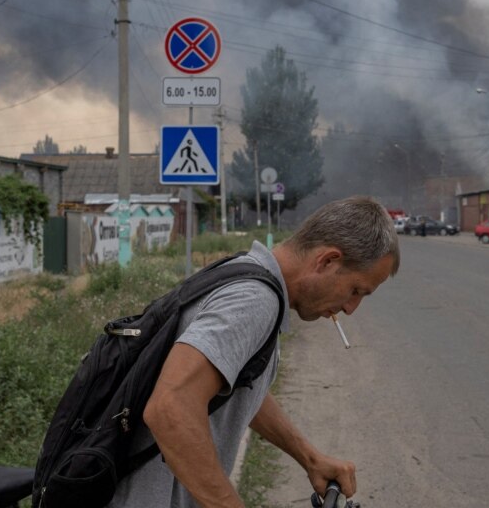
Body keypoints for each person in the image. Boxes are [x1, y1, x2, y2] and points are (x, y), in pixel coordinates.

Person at [107, 196, 400, 507]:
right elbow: (169, 407)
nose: (352, 308)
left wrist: (309, 457)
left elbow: (234, 381)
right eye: (356, 290)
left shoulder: (245, 271)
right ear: (327, 260)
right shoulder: (254, 301)